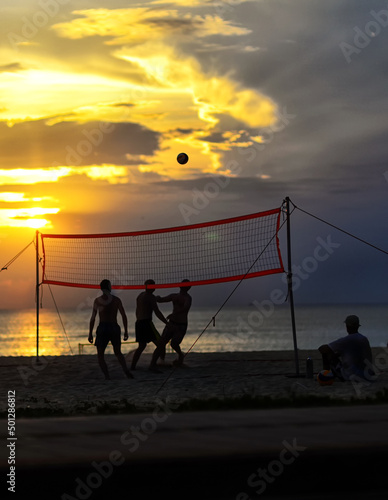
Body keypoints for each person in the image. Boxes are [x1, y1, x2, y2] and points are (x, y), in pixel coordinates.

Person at [88, 279, 133, 380]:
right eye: (110, 285)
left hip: (103, 327)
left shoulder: (98, 300)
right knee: (118, 352)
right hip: (114, 327)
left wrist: (90, 333)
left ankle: (107, 377)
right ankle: (126, 371)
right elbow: (124, 316)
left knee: (100, 355)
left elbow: (93, 318)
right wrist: (126, 331)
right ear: (108, 287)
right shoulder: (116, 300)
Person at [149, 279, 192, 371]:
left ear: (188, 287)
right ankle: (160, 361)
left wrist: (174, 314)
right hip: (171, 323)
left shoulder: (188, 298)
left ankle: (180, 355)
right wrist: (156, 298)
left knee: (174, 344)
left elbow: (185, 308)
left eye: (185, 285)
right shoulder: (174, 296)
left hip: (181, 325)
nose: (183, 286)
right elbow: (162, 300)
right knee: (162, 343)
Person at [318, 315, 374, 381]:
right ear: (358, 326)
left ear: (347, 326)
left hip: (351, 375)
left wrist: (332, 354)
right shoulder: (364, 339)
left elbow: (322, 349)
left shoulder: (347, 340)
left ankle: (325, 375)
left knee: (327, 353)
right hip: (368, 375)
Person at [131, 279, 168, 370]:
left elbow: (141, 307)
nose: (153, 287)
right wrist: (167, 323)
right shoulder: (150, 297)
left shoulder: (140, 295)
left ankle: (133, 366)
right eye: (151, 286)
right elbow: (157, 312)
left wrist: (156, 298)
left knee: (142, 346)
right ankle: (153, 365)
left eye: (153, 286)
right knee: (161, 344)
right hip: (146, 323)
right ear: (147, 286)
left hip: (139, 323)